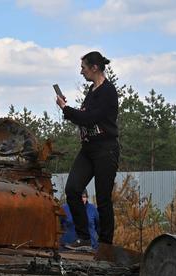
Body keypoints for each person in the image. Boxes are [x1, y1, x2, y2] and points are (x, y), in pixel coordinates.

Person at [56, 51, 119, 249]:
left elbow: (90, 118)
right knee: (73, 189)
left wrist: (66, 109)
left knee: (102, 199)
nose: (81, 72)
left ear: (95, 68)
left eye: (83, 67)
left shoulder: (108, 91)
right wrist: (70, 108)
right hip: (88, 149)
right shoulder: (92, 91)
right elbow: (85, 115)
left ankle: (105, 244)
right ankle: (83, 238)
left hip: (105, 150)